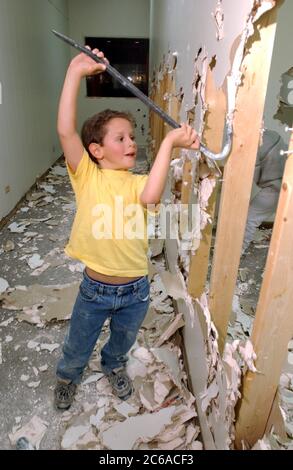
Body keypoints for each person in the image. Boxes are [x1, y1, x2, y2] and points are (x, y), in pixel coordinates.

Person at [54, 47, 200, 410]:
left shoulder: (138, 183)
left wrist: (168, 143)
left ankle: (114, 365)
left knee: (123, 339)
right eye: (120, 138)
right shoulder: (86, 175)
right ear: (97, 150)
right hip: (95, 288)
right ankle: (68, 375)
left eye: (132, 137)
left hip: (135, 289)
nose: (131, 143)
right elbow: (64, 130)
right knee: (79, 340)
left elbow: (152, 193)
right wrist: (75, 71)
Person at [242, 129, 287, 254]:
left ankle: (237, 252)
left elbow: (253, 176)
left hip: (276, 187)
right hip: (287, 180)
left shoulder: (251, 145)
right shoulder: (272, 133)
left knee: (250, 219)